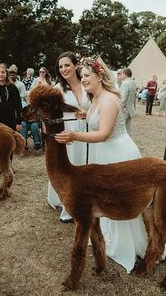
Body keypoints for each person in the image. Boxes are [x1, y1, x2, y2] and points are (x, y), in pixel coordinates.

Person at [55, 56, 148, 273]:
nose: (84, 79)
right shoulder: (95, 98)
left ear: (100, 76)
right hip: (104, 154)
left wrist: (74, 135)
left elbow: (104, 133)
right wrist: (85, 114)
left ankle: (126, 244)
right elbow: (96, 118)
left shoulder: (108, 100)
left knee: (119, 198)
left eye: (88, 76)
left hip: (118, 153)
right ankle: (107, 236)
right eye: (83, 76)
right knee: (104, 198)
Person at [48, 51, 91, 223]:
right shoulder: (57, 90)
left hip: (90, 130)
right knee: (71, 168)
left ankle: (88, 201)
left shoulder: (87, 82)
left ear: (76, 65)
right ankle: (69, 207)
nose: (64, 69)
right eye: (60, 67)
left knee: (88, 166)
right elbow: (49, 113)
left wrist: (87, 113)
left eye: (67, 65)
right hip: (69, 131)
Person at [0, 63, 22, 176]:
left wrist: (19, 122)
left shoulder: (12, 88)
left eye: (3, 72)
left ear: (6, 74)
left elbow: (18, 105)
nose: (1, 74)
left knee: (8, 143)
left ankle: (9, 166)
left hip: (10, 119)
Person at [119, 68, 137, 134]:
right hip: (130, 109)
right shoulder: (133, 83)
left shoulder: (125, 84)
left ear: (124, 74)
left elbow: (123, 99)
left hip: (125, 110)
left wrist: (119, 109)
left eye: (122, 74)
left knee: (121, 129)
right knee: (127, 128)